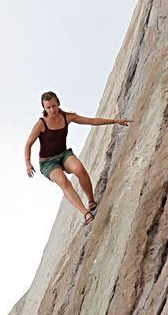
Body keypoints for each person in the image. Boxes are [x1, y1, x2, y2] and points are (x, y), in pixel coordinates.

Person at [24, 91, 131, 224]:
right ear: (44, 108)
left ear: (58, 103)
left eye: (53, 106)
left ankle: (91, 201)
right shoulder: (41, 124)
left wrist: (115, 121)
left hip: (63, 154)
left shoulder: (67, 117)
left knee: (79, 169)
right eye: (48, 108)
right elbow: (28, 144)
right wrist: (28, 163)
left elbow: (91, 121)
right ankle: (85, 213)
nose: (52, 110)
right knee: (64, 182)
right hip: (48, 163)